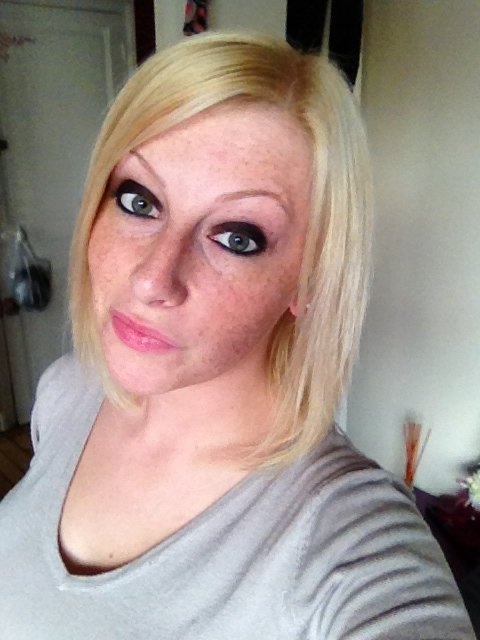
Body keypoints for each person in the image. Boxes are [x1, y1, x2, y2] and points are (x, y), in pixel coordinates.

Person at [0, 32, 474, 639]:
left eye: (237, 238)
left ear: (308, 279)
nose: (152, 279)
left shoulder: (347, 544)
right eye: (139, 201)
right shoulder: (65, 393)